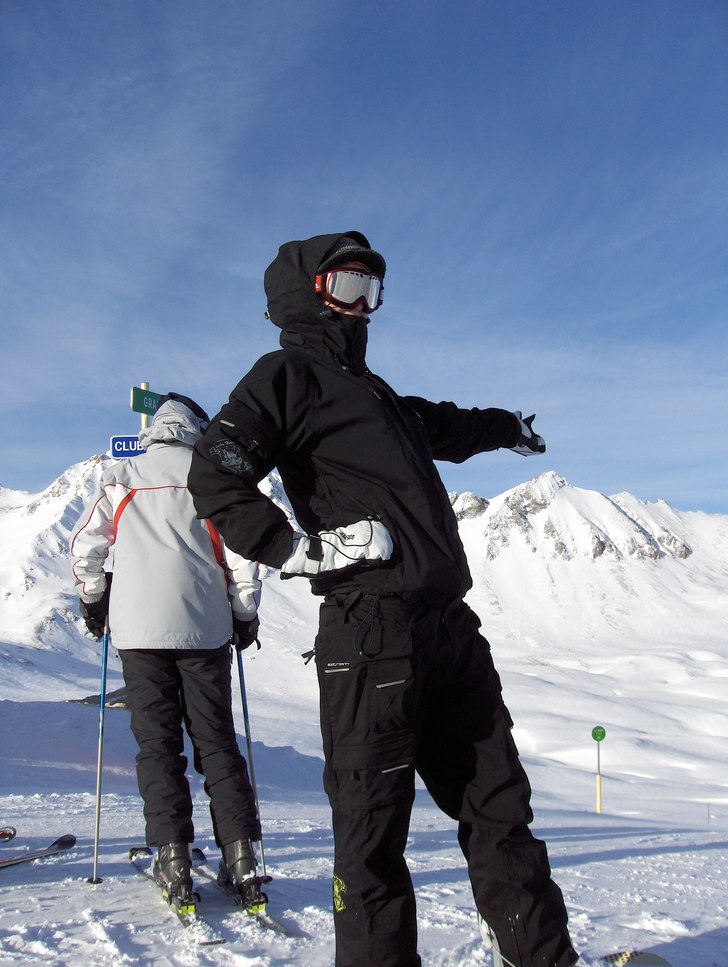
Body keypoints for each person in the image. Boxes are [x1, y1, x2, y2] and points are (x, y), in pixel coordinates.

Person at [187, 232, 580, 967]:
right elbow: (214, 472)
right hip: (371, 637)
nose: (363, 306)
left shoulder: (379, 397)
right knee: (372, 841)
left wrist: (507, 428)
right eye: (349, 286)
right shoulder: (286, 377)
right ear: (309, 293)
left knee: (500, 810)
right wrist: (297, 549)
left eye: (373, 291)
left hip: (448, 630)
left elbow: (447, 425)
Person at [70, 393, 265, 910]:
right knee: (217, 744)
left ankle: (172, 856)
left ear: (155, 429)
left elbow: (86, 546)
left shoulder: (121, 476)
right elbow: (242, 558)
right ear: (198, 427)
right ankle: (241, 857)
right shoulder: (213, 477)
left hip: (137, 632)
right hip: (204, 630)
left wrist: (94, 600)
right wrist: (244, 616)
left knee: (158, 746)